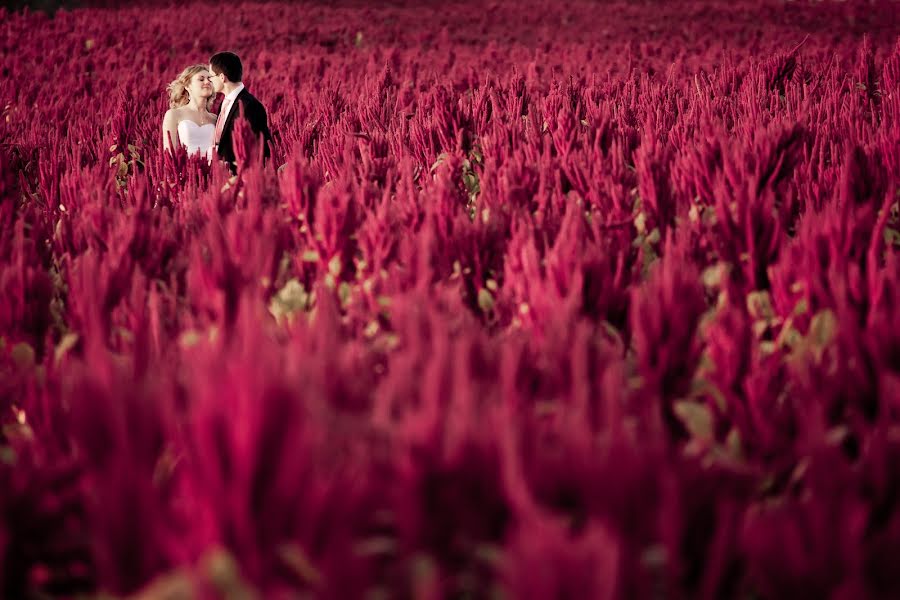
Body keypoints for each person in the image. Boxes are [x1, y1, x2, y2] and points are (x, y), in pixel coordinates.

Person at [208, 51, 272, 169]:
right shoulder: (224, 103)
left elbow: (260, 148)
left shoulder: (250, 106)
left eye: (211, 77)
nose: (209, 81)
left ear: (222, 77)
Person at [162, 65, 217, 161]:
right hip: (186, 172)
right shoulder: (174, 114)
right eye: (201, 79)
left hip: (213, 172)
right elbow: (169, 153)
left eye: (210, 79)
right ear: (187, 86)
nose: (207, 82)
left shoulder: (215, 118)